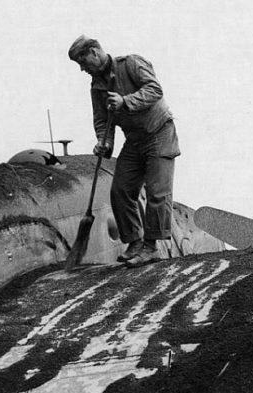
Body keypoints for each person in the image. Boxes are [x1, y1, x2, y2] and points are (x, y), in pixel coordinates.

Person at [68, 36, 180, 267]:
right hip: (134, 140)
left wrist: (126, 101)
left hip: (158, 132)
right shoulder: (96, 87)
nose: (82, 69)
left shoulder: (130, 64)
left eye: (83, 61)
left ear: (95, 52)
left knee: (157, 192)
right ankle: (135, 243)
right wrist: (104, 143)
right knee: (120, 190)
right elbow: (102, 120)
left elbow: (155, 89)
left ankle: (151, 247)